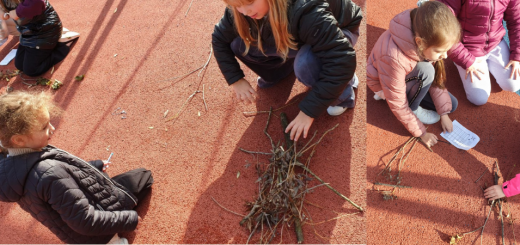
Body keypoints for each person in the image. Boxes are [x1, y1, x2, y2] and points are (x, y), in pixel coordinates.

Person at [0, 91, 153, 244]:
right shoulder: (48, 174)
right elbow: (85, 221)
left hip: (76, 227)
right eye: (44, 127)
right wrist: (129, 219)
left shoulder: (19, 159)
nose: (52, 129)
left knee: (141, 177)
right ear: (19, 139)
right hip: (95, 236)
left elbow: (67, 171)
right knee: (145, 178)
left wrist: (95, 165)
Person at [212, 0, 362, 141]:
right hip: (299, 32)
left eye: (250, 2)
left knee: (306, 63)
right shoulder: (243, 10)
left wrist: (308, 112)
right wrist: (236, 80)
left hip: (339, 30)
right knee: (239, 43)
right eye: (238, 5)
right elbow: (219, 39)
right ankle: (279, 72)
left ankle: (344, 94)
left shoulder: (308, 11)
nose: (245, 11)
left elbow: (342, 60)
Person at [366, 0, 460, 147]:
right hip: (384, 81)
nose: (446, 56)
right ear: (419, 42)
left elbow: (435, 80)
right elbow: (398, 104)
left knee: (451, 105)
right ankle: (414, 108)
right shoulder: (393, 58)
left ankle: (420, 92)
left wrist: (444, 114)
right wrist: (422, 133)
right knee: (426, 70)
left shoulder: (425, 35)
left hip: (406, 73)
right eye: (440, 51)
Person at [438, 0, 520, 106]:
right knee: (478, 99)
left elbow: (516, 21)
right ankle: (458, 62)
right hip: (468, 47)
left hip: (495, 44)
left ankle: (488, 65)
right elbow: (444, 26)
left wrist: (516, 55)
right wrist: (465, 60)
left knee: (513, 85)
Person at [0, 0, 79, 77]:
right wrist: (2, 12)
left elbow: (38, 2)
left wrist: (18, 12)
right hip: (28, 30)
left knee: (31, 70)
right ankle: (50, 45)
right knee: (19, 65)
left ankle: (62, 45)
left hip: (45, 29)